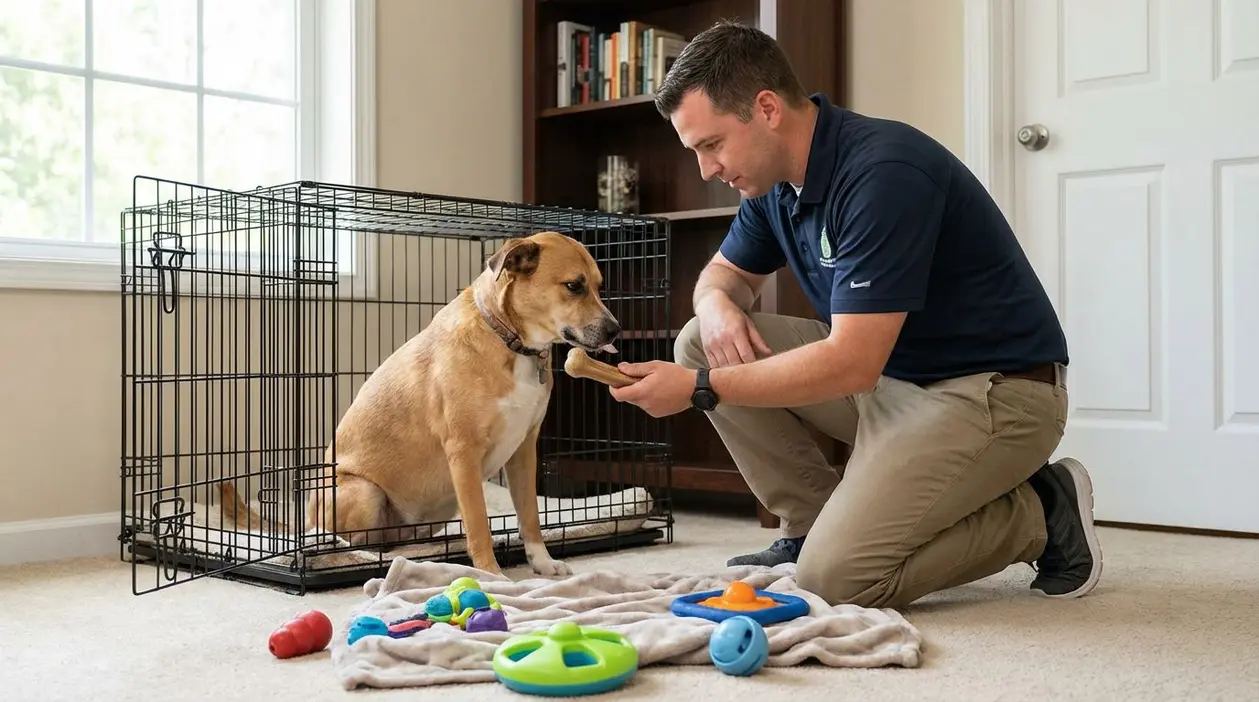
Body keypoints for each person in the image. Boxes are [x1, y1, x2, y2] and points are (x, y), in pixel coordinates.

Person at [607, 20, 1103, 610]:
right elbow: (723, 275)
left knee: (837, 582)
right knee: (697, 340)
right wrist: (714, 304)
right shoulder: (771, 185)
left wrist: (698, 389)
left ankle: (1041, 512)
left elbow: (851, 363)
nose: (706, 170)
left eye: (712, 145)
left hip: (992, 394)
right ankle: (806, 525)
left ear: (766, 108)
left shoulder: (881, 173)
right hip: (893, 379)